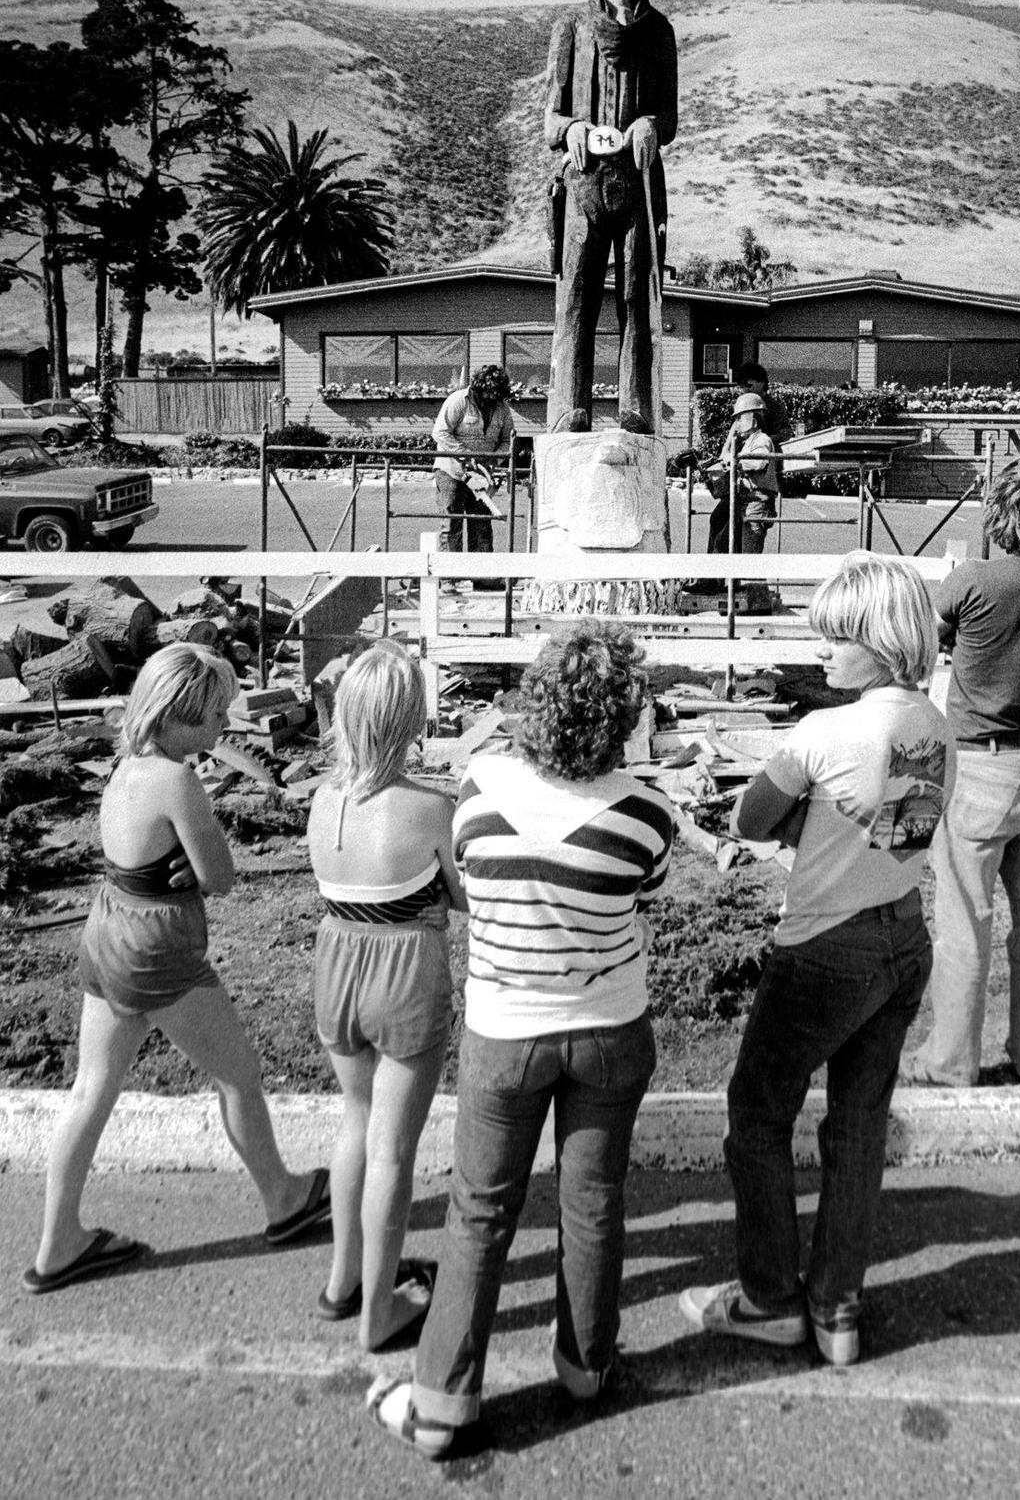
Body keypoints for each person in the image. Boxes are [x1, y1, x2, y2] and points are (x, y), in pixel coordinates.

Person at [370, 620, 674, 1457]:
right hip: (608, 1027)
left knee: (479, 1213)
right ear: (622, 718)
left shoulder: (478, 787)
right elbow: (647, 888)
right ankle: (585, 1366)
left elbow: (469, 877)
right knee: (594, 1202)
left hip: (504, 1033)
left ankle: (442, 1403)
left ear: (536, 702)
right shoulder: (647, 814)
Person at [679, 553, 954, 1366]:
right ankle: (838, 1308)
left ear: (879, 637)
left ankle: (769, 1298)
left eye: (837, 636)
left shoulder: (824, 731)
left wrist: (789, 814)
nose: (821, 651)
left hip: (824, 948)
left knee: (758, 1115)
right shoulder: (934, 726)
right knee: (858, 1126)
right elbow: (898, 830)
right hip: (903, 936)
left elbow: (751, 819)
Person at [24, 645, 331, 1295]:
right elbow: (221, 877)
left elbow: (150, 856)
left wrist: (183, 865)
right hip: (158, 949)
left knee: (92, 1089)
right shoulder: (176, 779)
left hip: (107, 931)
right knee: (240, 1077)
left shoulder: (127, 765)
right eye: (213, 714)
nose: (223, 725)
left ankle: (58, 1245)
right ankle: (284, 1200)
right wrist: (198, 867)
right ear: (178, 716)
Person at [902, 452, 1020, 1088]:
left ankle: (952, 1061)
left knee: (965, 920)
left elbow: (921, 642)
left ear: (1002, 510)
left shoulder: (975, 581)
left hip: (983, 768)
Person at [307, 641, 465, 1350]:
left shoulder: (322, 801)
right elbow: (462, 898)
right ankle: (380, 1313)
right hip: (405, 972)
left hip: (336, 961)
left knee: (356, 1125)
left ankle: (343, 1280)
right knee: (393, 1149)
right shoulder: (431, 808)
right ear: (413, 720)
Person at [545, 0, 676, 436]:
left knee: (637, 301)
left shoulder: (660, 32)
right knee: (576, 298)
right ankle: (568, 406)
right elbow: (550, 116)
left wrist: (651, 124)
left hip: (640, 184)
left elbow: (669, 116)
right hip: (583, 183)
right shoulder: (570, 26)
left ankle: (635, 405)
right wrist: (571, 127)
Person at [432, 364, 515, 556]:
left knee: (481, 524)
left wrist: (494, 462)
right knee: (451, 524)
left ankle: (482, 576)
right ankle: (448, 577)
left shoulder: (502, 409)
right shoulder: (458, 401)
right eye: (488, 394)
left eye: (496, 395)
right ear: (478, 388)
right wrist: (466, 457)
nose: (491, 399)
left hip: (481, 475)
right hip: (451, 471)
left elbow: (507, 440)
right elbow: (440, 432)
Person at [705, 390, 781, 556]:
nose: (736, 423)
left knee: (749, 555)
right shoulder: (746, 442)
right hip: (746, 501)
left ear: (753, 420)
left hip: (757, 503)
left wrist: (736, 461)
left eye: (740, 418)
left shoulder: (762, 440)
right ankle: (713, 581)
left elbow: (759, 462)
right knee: (723, 543)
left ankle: (748, 582)